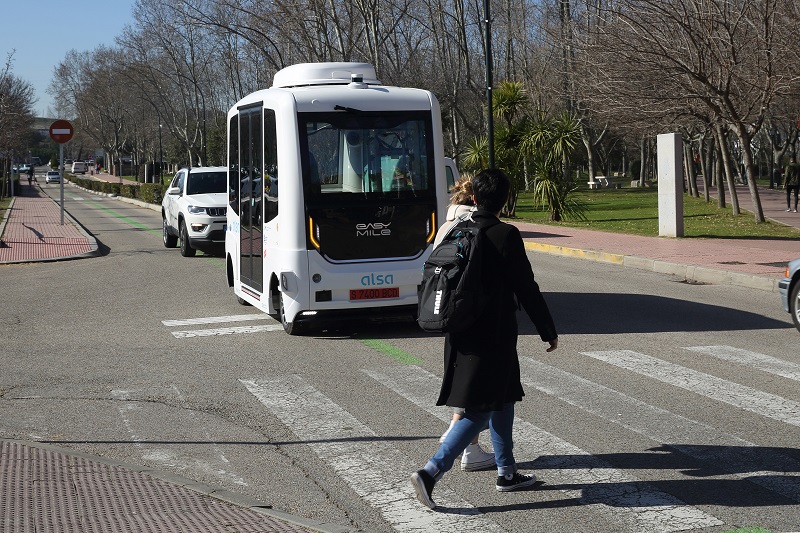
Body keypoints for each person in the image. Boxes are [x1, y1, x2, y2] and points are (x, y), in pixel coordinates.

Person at [411, 168, 559, 509]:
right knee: (481, 408)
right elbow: (526, 286)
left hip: (460, 329)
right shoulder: (505, 234)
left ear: (474, 197)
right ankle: (431, 471)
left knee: (503, 396)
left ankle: (507, 472)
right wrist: (547, 329)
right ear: (504, 200)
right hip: (494, 334)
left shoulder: (458, 229)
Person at [433, 174, 496, 472]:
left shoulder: (446, 226)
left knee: (465, 378)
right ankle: (462, 442)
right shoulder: (476, 225)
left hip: (448, 310)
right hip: (475, 313)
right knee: (480, 385)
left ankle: (468, 445)